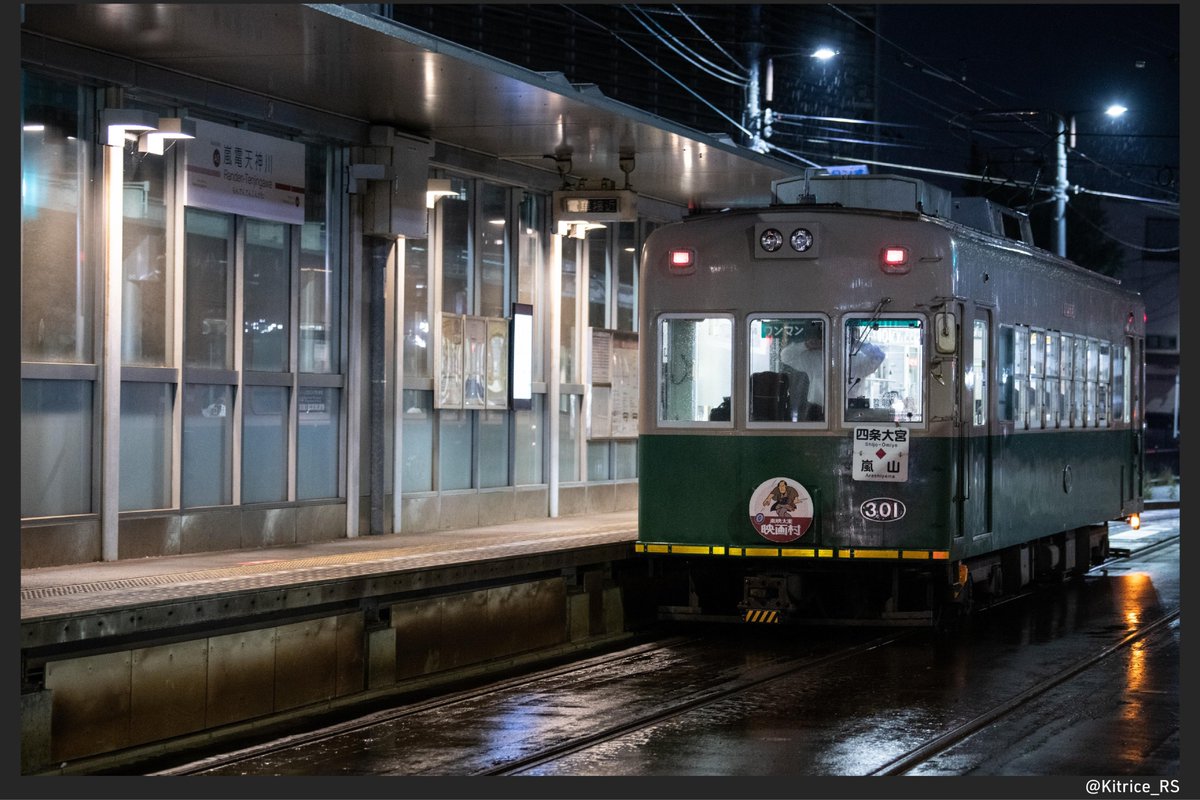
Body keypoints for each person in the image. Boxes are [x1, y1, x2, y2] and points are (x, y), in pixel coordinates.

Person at [779, 324, 826, 420]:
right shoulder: (813, 356)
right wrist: (806, 345)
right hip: (816, 408)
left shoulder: (852, 356)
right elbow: (785, 356)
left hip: (846, 405)